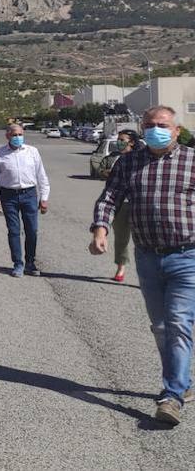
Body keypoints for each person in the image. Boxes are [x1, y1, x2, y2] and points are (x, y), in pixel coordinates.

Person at [90, 105, 195, 426]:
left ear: (176, 130)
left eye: (162, 124)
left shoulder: (192, 161)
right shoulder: (129, 161)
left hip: (187, 256)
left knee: (178, 322)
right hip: (147, 256)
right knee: (161, 327)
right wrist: (100, 228)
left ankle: (172, 395)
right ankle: (182, 381)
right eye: (149, 124)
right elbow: (110, 197)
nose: (155, 129)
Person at [0, 123, 51, 278]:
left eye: (20, 134)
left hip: (29, 194)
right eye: (15, 135)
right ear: (8, 136)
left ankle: (30, 262)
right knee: (14, 231)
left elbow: (41, 176)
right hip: (8, 196)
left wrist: (44, 198)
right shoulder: (0, 154)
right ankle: (18, 264)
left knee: (32, 230)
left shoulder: (32, 152)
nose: (18, 138)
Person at [109, 129, 141, 282]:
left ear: (132, 142)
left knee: (142, 240)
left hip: (138, 205)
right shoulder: (116, 158)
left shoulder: (141, 159)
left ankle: (148, 273)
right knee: (121, 238)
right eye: (118, 139)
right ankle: (121, 267)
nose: (119, 142)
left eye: (122, 139)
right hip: (121, 204)